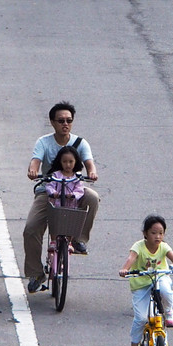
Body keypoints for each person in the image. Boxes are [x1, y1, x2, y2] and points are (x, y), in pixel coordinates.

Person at [24, 101, 99, 292]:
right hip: (49, 192)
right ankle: (36, 273)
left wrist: (91, 172)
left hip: (73, 190)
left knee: (92, 197)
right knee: (31, 229)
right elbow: (35, 161)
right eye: (61, 120)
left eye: (69, 120)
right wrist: (33, 170)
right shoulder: (44, 142)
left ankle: (78, 239)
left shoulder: (80, 143)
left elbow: (90, 163)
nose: (65, 124)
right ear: (52, 122)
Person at [119, 214, 173, 346]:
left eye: (161, 233)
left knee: (166, 291)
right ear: (145, 233)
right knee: (140, 318)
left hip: (159, 277)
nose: (158, 236)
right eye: (153, 233)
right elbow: (131, 259)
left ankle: (169, 312)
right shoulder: (138, 246)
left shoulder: (164, 247)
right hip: (141, 283)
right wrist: (125, 269)